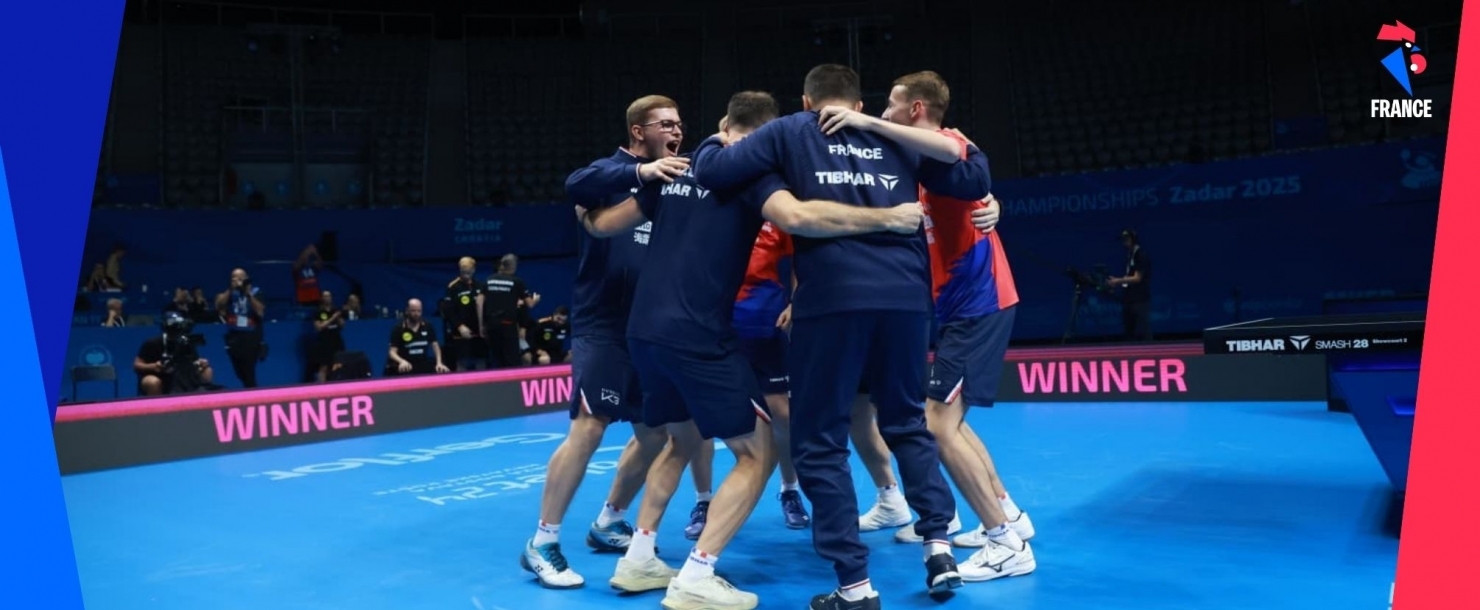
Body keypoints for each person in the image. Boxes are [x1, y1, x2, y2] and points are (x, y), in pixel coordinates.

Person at [576, 90, 927, 609]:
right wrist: (889, 218)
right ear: (766, 135)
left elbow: (604, 224)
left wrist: (586, 217)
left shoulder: (678, 169)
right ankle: (697, 574)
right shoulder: (749, 174)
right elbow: (800, 217)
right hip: (697, 334)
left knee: (680, 441)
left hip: (643, 332)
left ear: (724, 122)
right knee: (758, 451)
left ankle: (639, 558)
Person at [690, 65, 992, 609]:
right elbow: (972, 179)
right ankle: (940, 549)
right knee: (907, 423)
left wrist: (718, 134)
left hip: (832, 302)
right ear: (861, 103)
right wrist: (990, 199)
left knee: (821, 441)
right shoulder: (895, 138)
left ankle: (855, 585)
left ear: (807, 102)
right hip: (905, 301)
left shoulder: (790, 131)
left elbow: (711, 170)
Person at [845, 70, 1037, 582]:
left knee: (937, 424)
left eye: (891, 104)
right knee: (952, 421)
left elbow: (959, 155)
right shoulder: (919, 163)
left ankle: (1004, 541)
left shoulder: (948, 142)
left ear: (916, 109)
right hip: (960, 306)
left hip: (979, 300)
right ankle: (1009, 512)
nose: (884, 112)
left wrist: (866, 123)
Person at [516, 94, 684, 591]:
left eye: (679, 124)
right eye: (665, 124)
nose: (676, 131)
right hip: (603, 326)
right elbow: (577, 184)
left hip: (649, 328)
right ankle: (542, 542)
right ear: (638, 131)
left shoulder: (676, 179)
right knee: (589, 428)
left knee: (654, 434)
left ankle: (610, 520)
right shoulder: (610, 173)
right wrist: (643, 173)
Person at [682, 217, 809, 541]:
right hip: (715, 327)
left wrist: (795, 302)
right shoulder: (711, 212)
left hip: (766, 325)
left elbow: (801, 258)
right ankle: (703, 501)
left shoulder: (775, 215)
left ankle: (790, 490)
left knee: (783, 415)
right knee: (700, 421)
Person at [214, 268, 265, 388]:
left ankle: (252, 392)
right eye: (233, 278)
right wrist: (231, 290)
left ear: (246, 278)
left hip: (251, 336)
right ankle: (250, 388)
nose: (236, 280)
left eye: (239, 278)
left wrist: (248, 294)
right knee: (239, 371)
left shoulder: (255, 292)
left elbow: (260, 311)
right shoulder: (229, 293)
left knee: (249, 370)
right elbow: (219, 305)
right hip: (234, 336)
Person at [483, 254, 534, 369]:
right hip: (508, 325)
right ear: (514, 266)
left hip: (492, 325)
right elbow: (529, 304)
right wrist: (535, 300)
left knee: (496, 358)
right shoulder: (517, 282)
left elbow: (479, 302)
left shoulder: (489, 280)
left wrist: (482, 324)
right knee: (512, 360)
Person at [1106, 229, 1152, 341]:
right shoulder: (1130, 255)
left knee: (1144, 331)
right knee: (1129, 332)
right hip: (1129, 299)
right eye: (1123, 240)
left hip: (1139, 300)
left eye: (1126, 240)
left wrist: (1118, 281)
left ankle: (1149, 350)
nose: (1124, 243)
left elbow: (1137, 278)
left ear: (1133, 240)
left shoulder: (1140, 255)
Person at [443, 257, 487, 371]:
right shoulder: (453, 287)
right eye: (463, 270)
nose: (466, 273)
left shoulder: (480, 285)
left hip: (479, 332)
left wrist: (483, 326)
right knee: (462, 362)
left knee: (481, 361)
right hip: (461, 333)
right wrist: (460, 326)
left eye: (468, 270)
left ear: (474, 269)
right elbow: (448, 310)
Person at [385, 299, 448, 376]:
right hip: (406, 365)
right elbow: (392, 352)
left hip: (422, 363)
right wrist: (401, 361)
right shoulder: (398, 328)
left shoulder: (427, 326)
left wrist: (439, 363)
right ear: (407, 311)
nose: (416, 314)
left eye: (419, 311)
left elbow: (435, 346)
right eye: (413, 311)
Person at [309, 290, 347, 382]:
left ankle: (339, 385)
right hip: (324, 342)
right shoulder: (318, 312)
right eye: (325, 296)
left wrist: (339, 317)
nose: (328, 298)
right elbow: (319, 327)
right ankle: (322, 387)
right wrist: (333, 318)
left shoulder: (336, 310)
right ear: (321, 298)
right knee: (324, 366)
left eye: (329, 296)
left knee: (339, 365)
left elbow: (342, 325)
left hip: (336, 340)